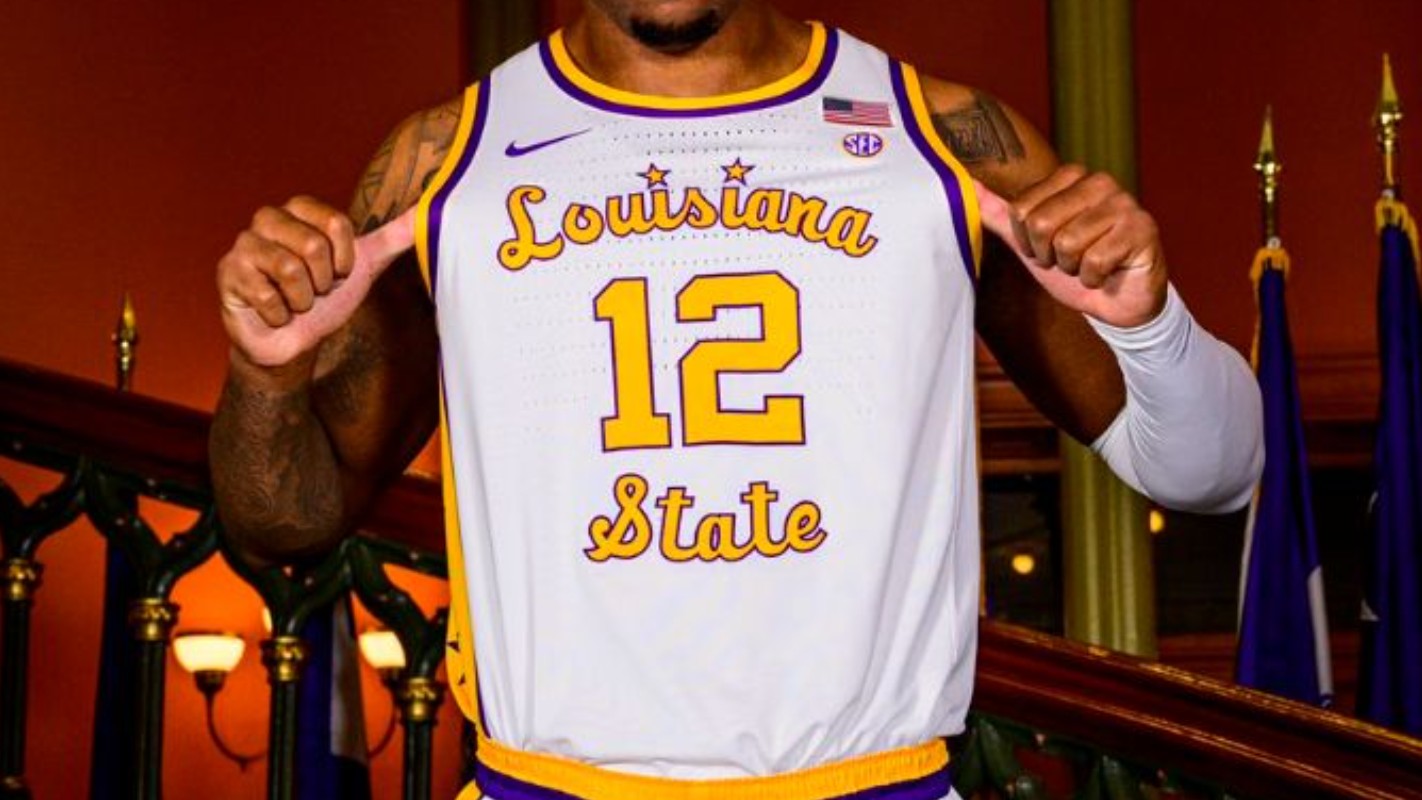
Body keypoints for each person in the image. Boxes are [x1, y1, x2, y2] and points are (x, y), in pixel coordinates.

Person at [209, 2, 1263, 798]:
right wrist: (267, 373)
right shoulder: (444, 165)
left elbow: (1210, 471)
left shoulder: (941, 142)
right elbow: (283, 520)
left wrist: (1148, 323)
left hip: (874, 783)